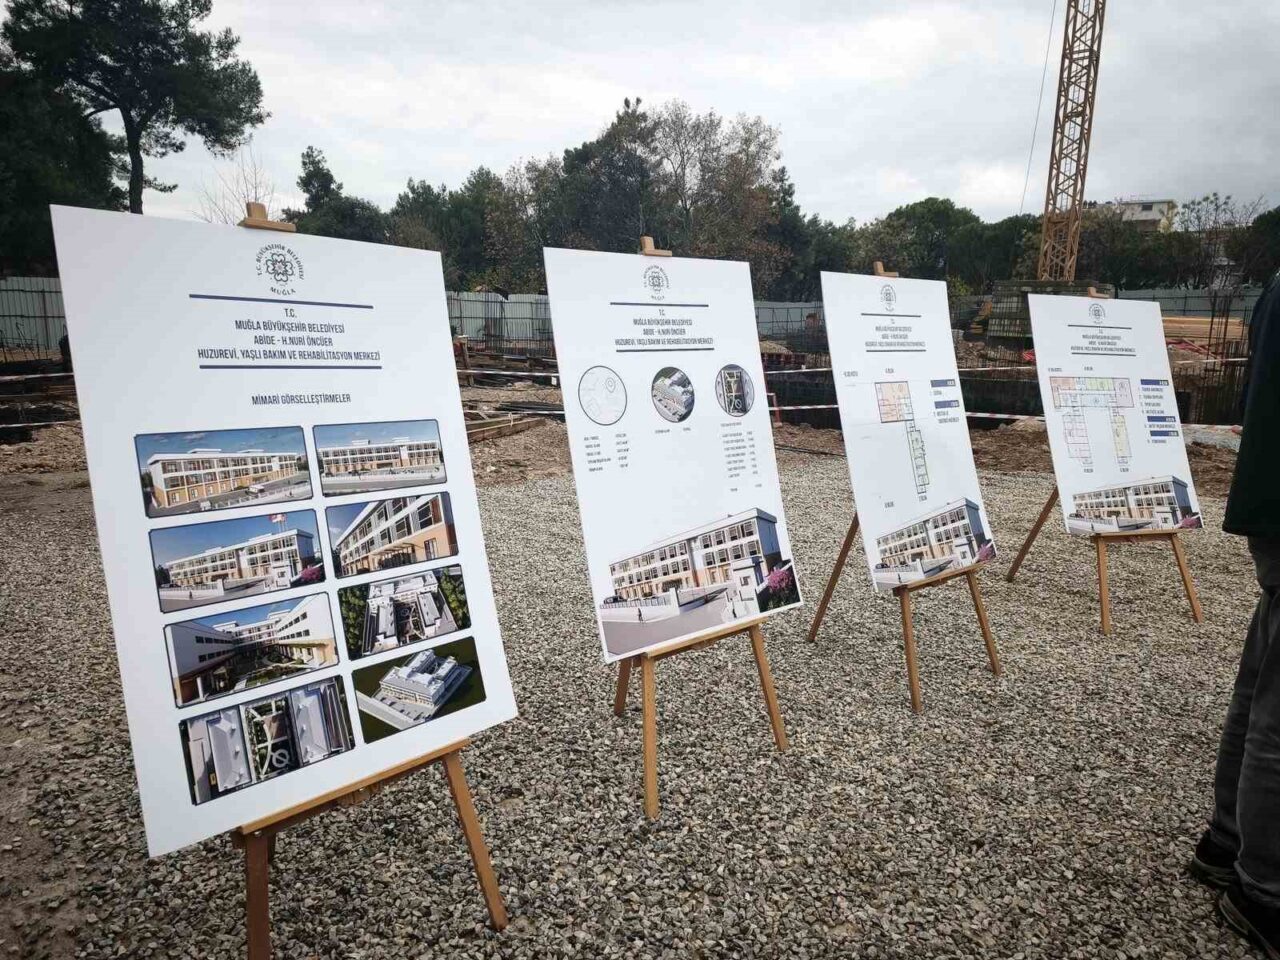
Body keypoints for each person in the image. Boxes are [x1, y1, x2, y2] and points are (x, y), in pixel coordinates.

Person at [1189, 272, 1280, 960]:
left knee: (1263, 678)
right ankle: (1265, 888)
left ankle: (1228, 841)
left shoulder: (1273, 288)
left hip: (1270, 502)